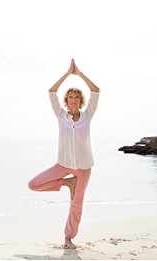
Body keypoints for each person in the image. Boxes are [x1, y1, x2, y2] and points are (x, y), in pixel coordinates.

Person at [28, 59, 100, 249]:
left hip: (84, 167)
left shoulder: (88, 115)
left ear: (81, 101)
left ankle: (69, 237)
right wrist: (68, 74)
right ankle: (68, 182)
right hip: (63, 164)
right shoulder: (61, 115)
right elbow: (51, 91)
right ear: (66, 101)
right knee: (33, 184)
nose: (74, 100)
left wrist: (80, 73)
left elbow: (96, 91)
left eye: (77, 97)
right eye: (70, 97)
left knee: (77, 203)